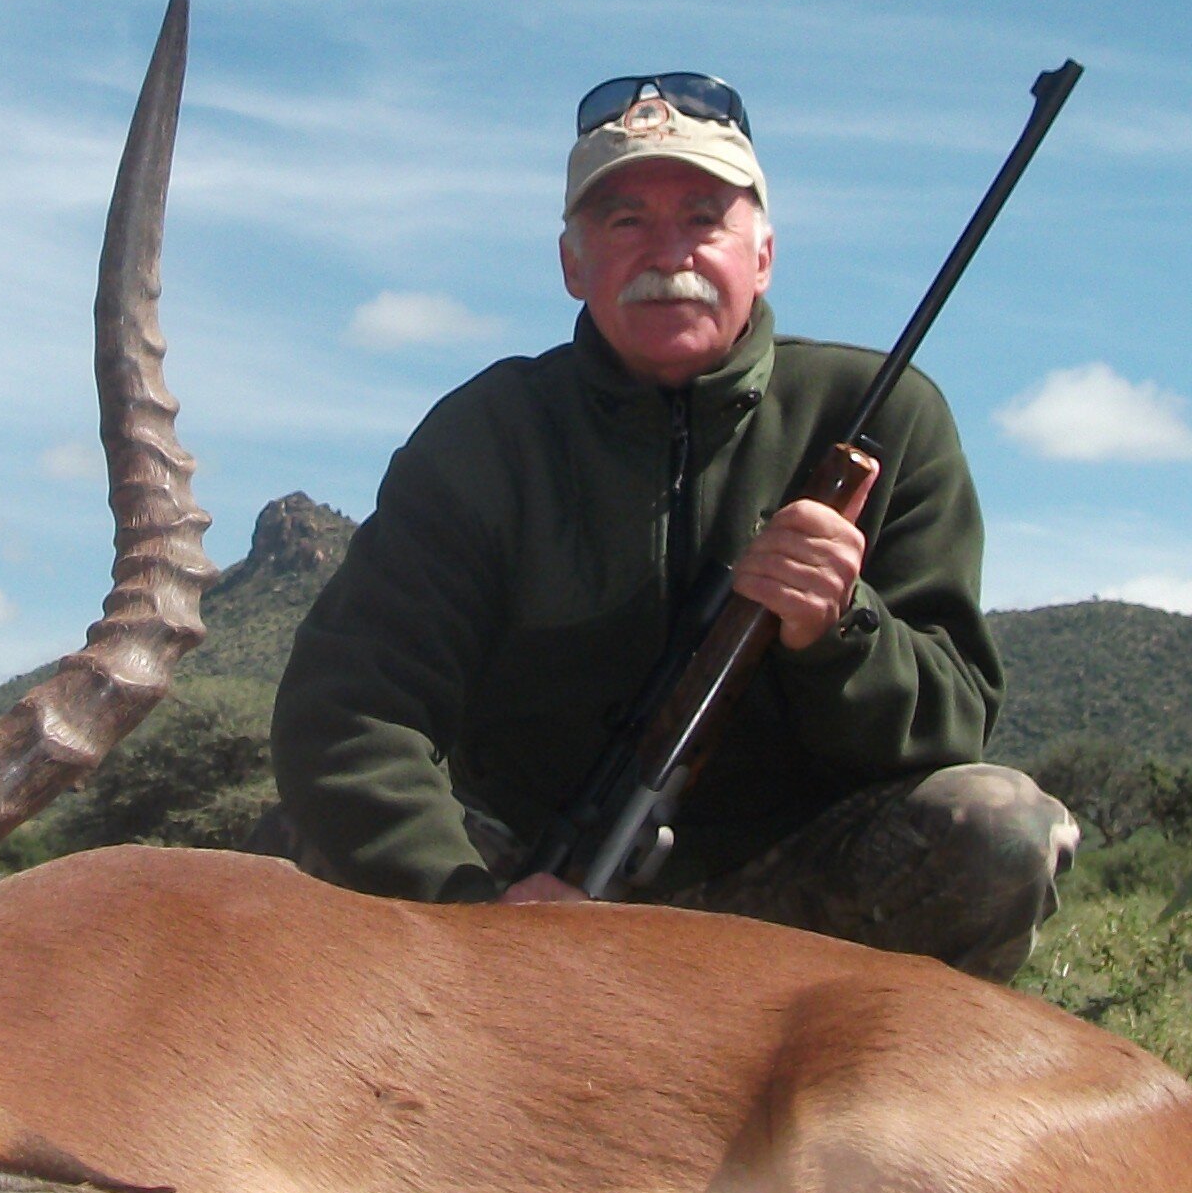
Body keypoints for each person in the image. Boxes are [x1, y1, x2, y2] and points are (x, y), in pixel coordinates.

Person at [268, 72, 1076, 980]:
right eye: (625, 223)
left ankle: (899, 1109)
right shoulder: (486, 435)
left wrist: (838, 631)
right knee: (302, 835)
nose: (670, 254)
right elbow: (345, 712)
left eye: (703, 218)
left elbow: (951, 723)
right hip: (531, 899)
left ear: (762, 254)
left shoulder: (889, 418)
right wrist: (470, 908)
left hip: (790, 904)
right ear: (573, 262)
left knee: (1002, 828)